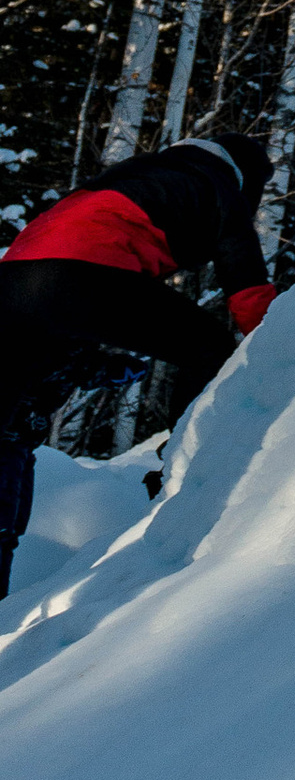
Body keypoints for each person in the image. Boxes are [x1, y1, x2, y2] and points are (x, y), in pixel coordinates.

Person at [0, 122, 277, 599]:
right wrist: (277, 343)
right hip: (80, 271)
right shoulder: (218, 179)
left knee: (10, 425)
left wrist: (98, 365)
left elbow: (66, 308)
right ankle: (187, 460)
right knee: (207, 346)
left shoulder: (145, 173)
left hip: (12, 279)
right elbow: (244, 275)